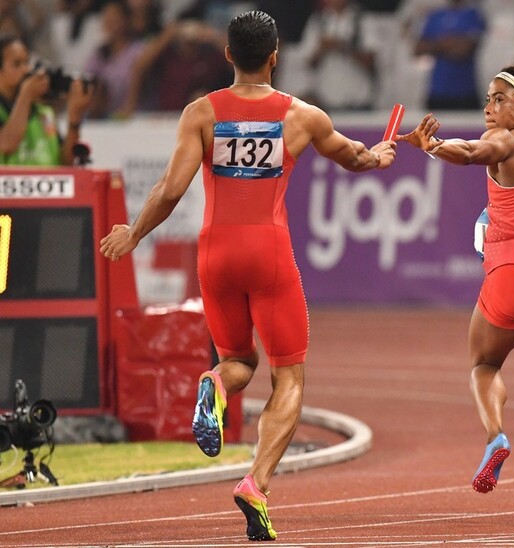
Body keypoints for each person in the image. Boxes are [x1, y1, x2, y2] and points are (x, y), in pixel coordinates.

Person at [99, 10, 396, 542]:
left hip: (215, 254)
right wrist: (381, 155)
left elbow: (169, 190)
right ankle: (256, 484)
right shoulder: (303, 116)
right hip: (269, 253)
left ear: (229, 55)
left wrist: (135, 233)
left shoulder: (201, 113)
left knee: (237, 361)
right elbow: (355, 158)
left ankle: (212, 384)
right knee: (289, 378)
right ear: (276, 57)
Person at [398, 64, 514, 525]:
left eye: (499, 99)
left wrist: (436, 147)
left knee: (484, 364)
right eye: (488, 98)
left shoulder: (511, 139)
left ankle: (496, 437)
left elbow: (475, 151)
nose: (488, 107)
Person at [0, 33, 93, 165]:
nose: (26, 70)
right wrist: (26, 95)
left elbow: (66, 164)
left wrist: (74, 119)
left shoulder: (44, 112)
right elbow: (6, 144)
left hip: (48, 184)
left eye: (27, 62)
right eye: (17, 64)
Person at [414, 0, 486, 110]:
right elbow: (418, 49)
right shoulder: (435, 15)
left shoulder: (473, 15)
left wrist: (435, 44)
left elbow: (462, 50)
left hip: (465, 92)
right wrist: (447, 43)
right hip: (437, 92)